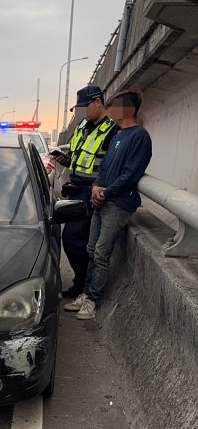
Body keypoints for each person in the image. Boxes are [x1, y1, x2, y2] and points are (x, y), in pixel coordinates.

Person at [65, 90, 152, 321]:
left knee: (102, 253)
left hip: (118, 203)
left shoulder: (139, 136)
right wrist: (97, 187)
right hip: (101, 199)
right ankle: (85, 293)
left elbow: (131, 174)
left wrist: (105, 191)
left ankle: (92, 300)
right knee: (91, 249)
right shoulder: (119, 134)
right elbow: (104, 168)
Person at [59, 85, 116, 298]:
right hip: (75, 189)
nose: (81, 113)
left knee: (75, 239)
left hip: (91, 193)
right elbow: (77, 156)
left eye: (84, 107)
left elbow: (111, 164)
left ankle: (84, 285)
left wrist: (100, 190)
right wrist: (64, 160)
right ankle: (81, 282)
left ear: (98, 102)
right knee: (73, 239)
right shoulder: (83, 126)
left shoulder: (111, 129)